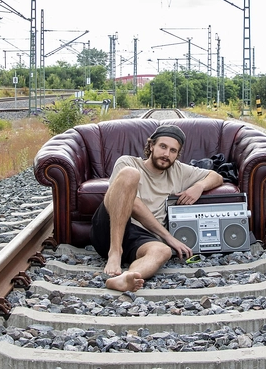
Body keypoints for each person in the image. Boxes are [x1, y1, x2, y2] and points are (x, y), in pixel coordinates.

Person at [89, 124, 224, 292]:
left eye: (173, 151)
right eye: (162, 146)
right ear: (151, 145)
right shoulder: (127, 162)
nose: (166, 154)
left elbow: (216, 176)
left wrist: (199, 186)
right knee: (130, 174)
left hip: (140, 237)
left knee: (163, 251)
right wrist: (168, 236)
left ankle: (126, 278)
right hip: (109, 227)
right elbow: (134, 205)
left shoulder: (179, 171)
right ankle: (115, 253)